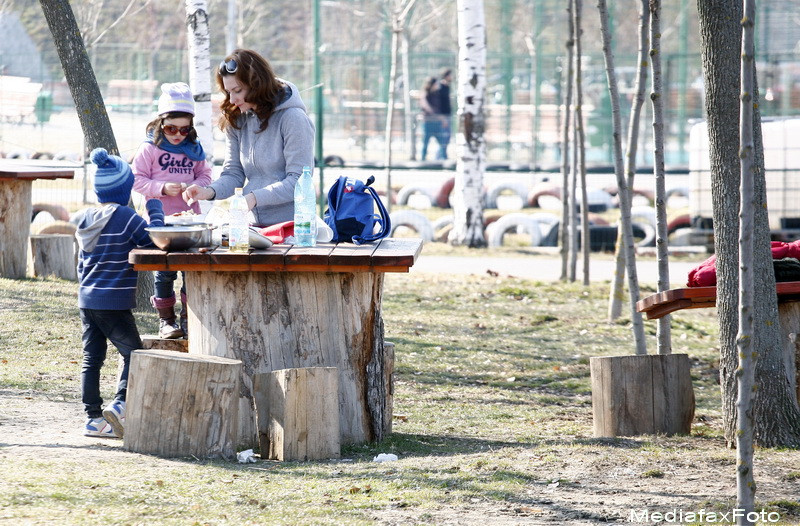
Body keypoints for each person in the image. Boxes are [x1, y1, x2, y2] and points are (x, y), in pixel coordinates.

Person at [75, 148, 165, 439]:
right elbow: (155, 243)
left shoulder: (87, 218)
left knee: (93, 358)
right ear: (125, 189)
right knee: (133, 354)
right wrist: (156, 212)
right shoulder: (127, 217)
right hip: (112, 302)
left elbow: (80, 264)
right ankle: (120, 403)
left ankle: (92, 419)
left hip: (87, 299)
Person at [183, 49, 315, 227]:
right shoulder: (237, 119)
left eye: (237, 90)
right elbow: (234, 174)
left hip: (291, 227)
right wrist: (208, 192)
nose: (232, 99)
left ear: (257, 85)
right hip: (250, 226)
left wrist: (254, 197)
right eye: (228, 92)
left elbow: (299, 182)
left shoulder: (293, 118)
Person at [132, 82, 212, 339]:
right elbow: (136, 179)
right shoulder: (149, 148)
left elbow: (206, 176)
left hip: (189, 223)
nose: (177, 135)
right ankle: (166, 321)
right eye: (170, 129)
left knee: (190, 271)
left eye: (184, 129)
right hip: (160, 223)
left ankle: (190, 319)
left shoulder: (194, 150)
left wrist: (195, 188)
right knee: (164, 273)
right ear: (159, 124)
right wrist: (162, 188)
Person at [419, 76, 441, 161]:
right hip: (428, 121)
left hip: (436, 122)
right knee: (425, 142)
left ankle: (442, 158)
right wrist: (435, 114)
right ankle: (423, 158)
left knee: (441, 142)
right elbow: (426, 106)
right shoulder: (425, 93)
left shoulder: (436, 94)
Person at [434, 68, 453, 160]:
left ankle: (442, 156)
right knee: (444, 138)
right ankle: (440, 157)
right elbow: (438, 104)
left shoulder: (447, 86)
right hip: (443, 116)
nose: (452, 77)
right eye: (450, 75)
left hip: (447, 115)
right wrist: (441, 117)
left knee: (447, 137)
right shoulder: (440, 87)